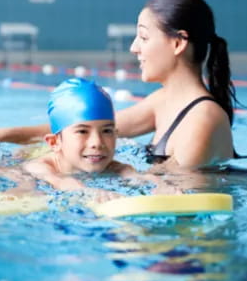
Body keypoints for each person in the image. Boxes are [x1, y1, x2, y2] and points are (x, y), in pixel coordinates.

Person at [0, 0, 237, 170]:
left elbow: (170, 192)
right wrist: (0, 136)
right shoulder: (164, 101)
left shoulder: (202, 120)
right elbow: (80, 126)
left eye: (144, 38)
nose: (134, 48)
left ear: (178, 43)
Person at [22, 78, 160, 198]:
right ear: (55, 142)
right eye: (82, 131)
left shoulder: (115, 167)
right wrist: (88, 192)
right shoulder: (38, 167)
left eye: (106, 131)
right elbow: (60, 181)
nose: (97, 143)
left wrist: (159, 185)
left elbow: (135, 177)